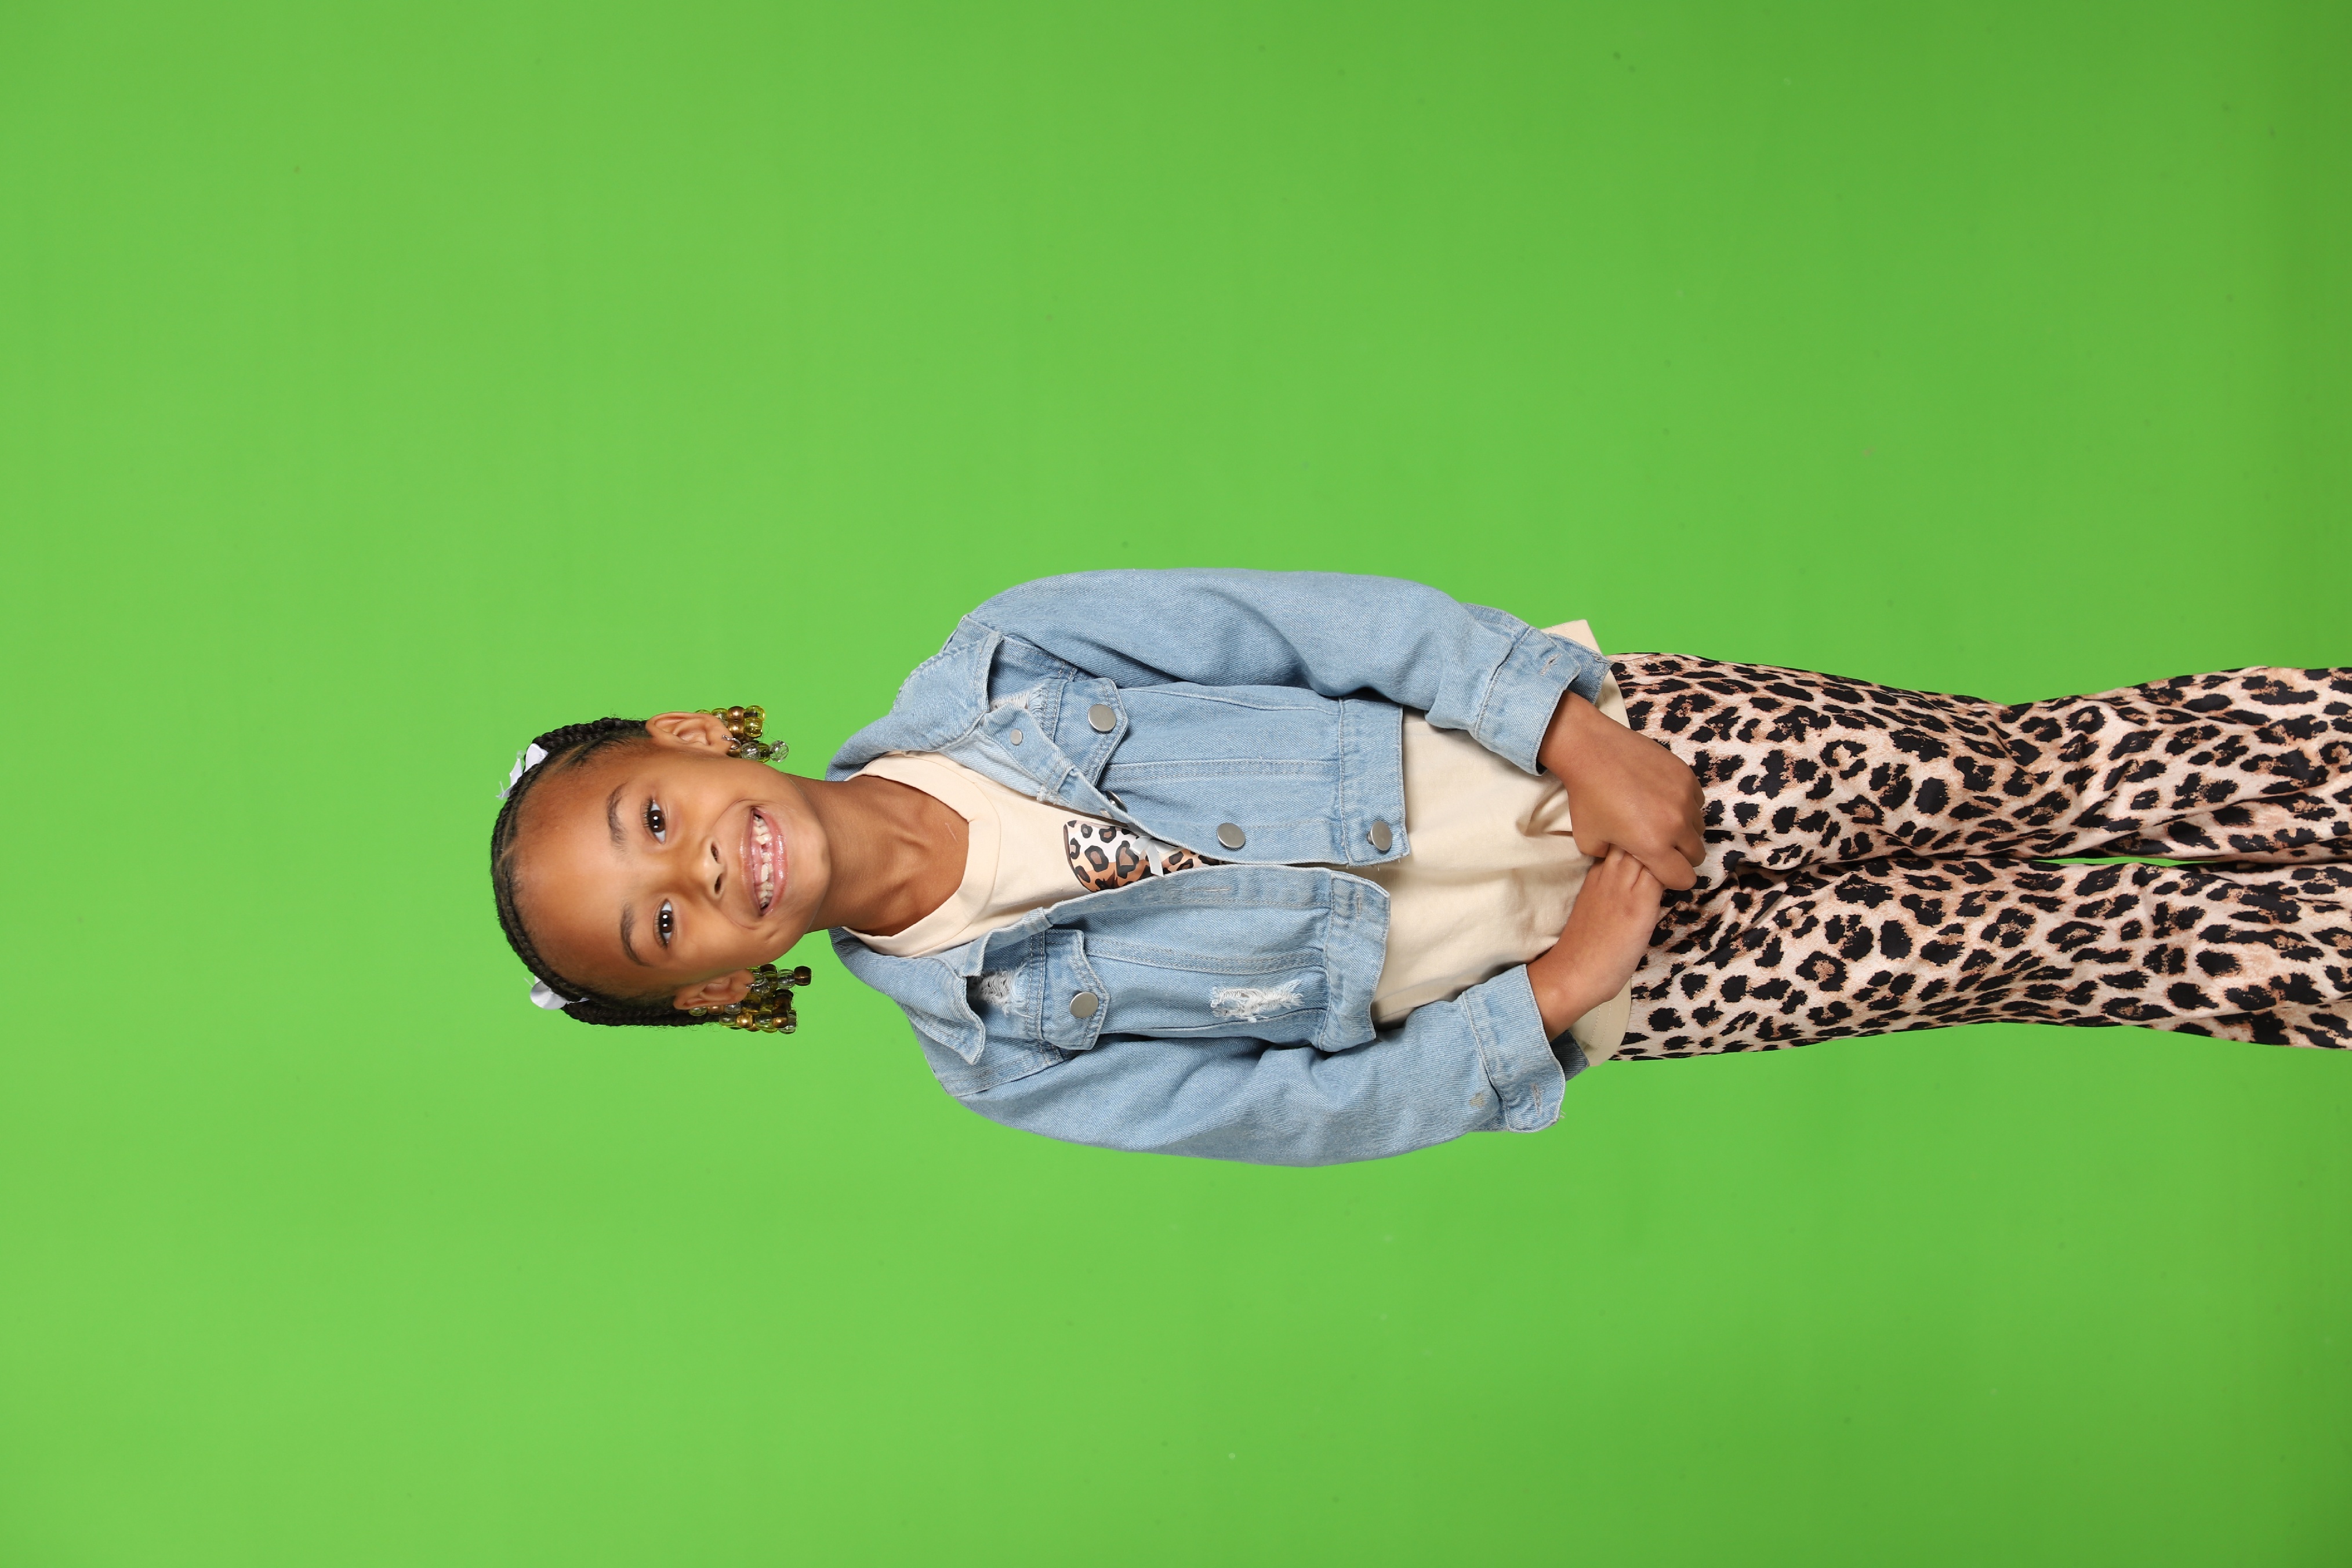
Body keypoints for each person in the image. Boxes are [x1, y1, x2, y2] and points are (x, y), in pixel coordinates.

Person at [487, 570, 2351, 1166]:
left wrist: (1577, 736)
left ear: (697, 737)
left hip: (1590, 755)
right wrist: (1565, 991)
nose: (698, 869)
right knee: (2022, 943)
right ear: (721, 988)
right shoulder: (1001, 1055)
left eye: (650, 816)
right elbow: (1300, 1116)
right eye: (661, 928)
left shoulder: (1011, 663)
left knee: (2015, 775)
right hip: (1604, 982)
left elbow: (1326, 626)